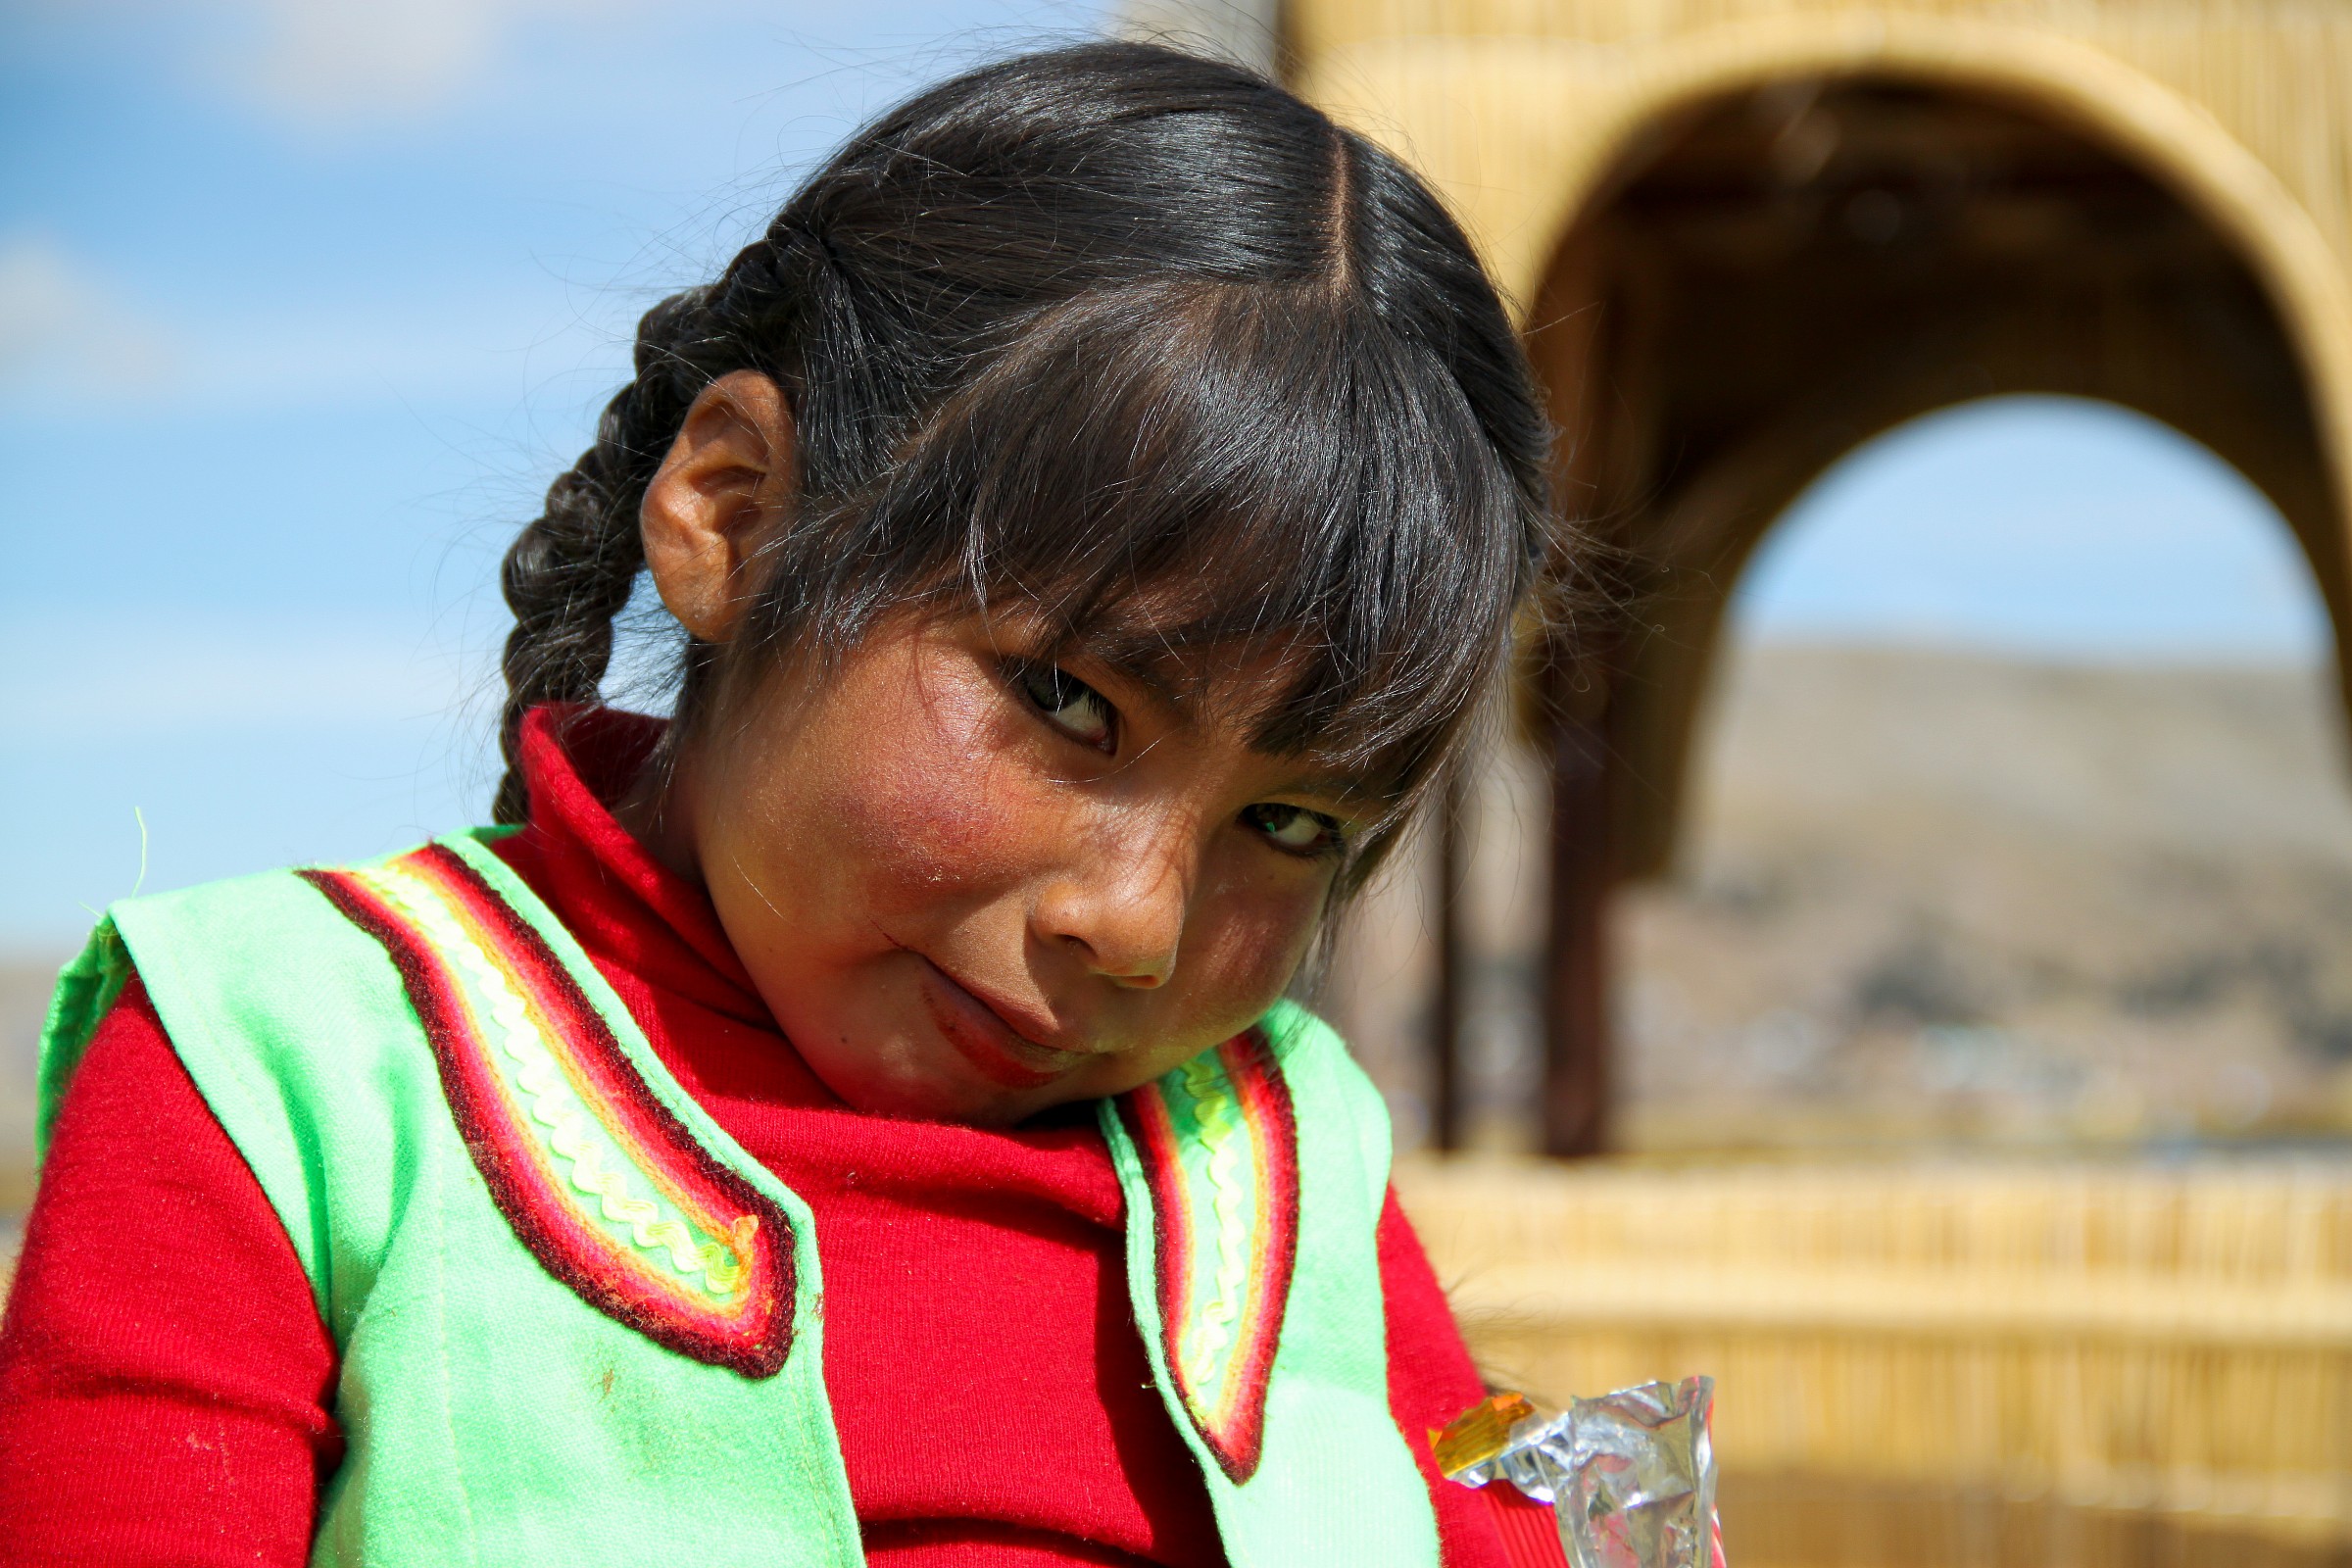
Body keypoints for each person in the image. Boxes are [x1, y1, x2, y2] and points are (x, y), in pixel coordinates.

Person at [0, 41, 1564, 1568]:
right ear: (737, 518)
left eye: (1294, 826)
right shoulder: (290, 1077)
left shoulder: (1275, 1154)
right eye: (1070, 703)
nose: (1141, 928)